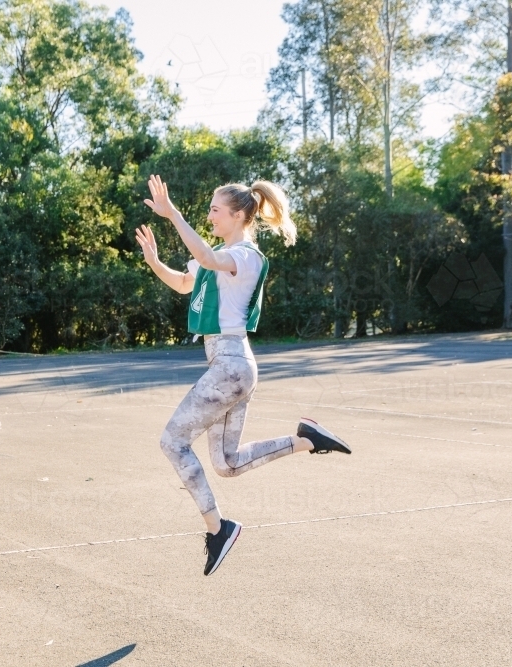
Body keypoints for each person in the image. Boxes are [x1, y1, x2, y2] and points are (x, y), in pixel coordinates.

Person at [136, 175, 351, 576]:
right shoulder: (217, 253)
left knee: (172, 441)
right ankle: (306, 439)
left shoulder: (246, 256)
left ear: (237, 215)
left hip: (231, 363)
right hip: (230, 367)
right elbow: (186, 283)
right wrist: (154, 262)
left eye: (216, 210)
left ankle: (219, 530)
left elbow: (207, 260)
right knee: (227, 464)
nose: (210, 215)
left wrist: (173, 215)